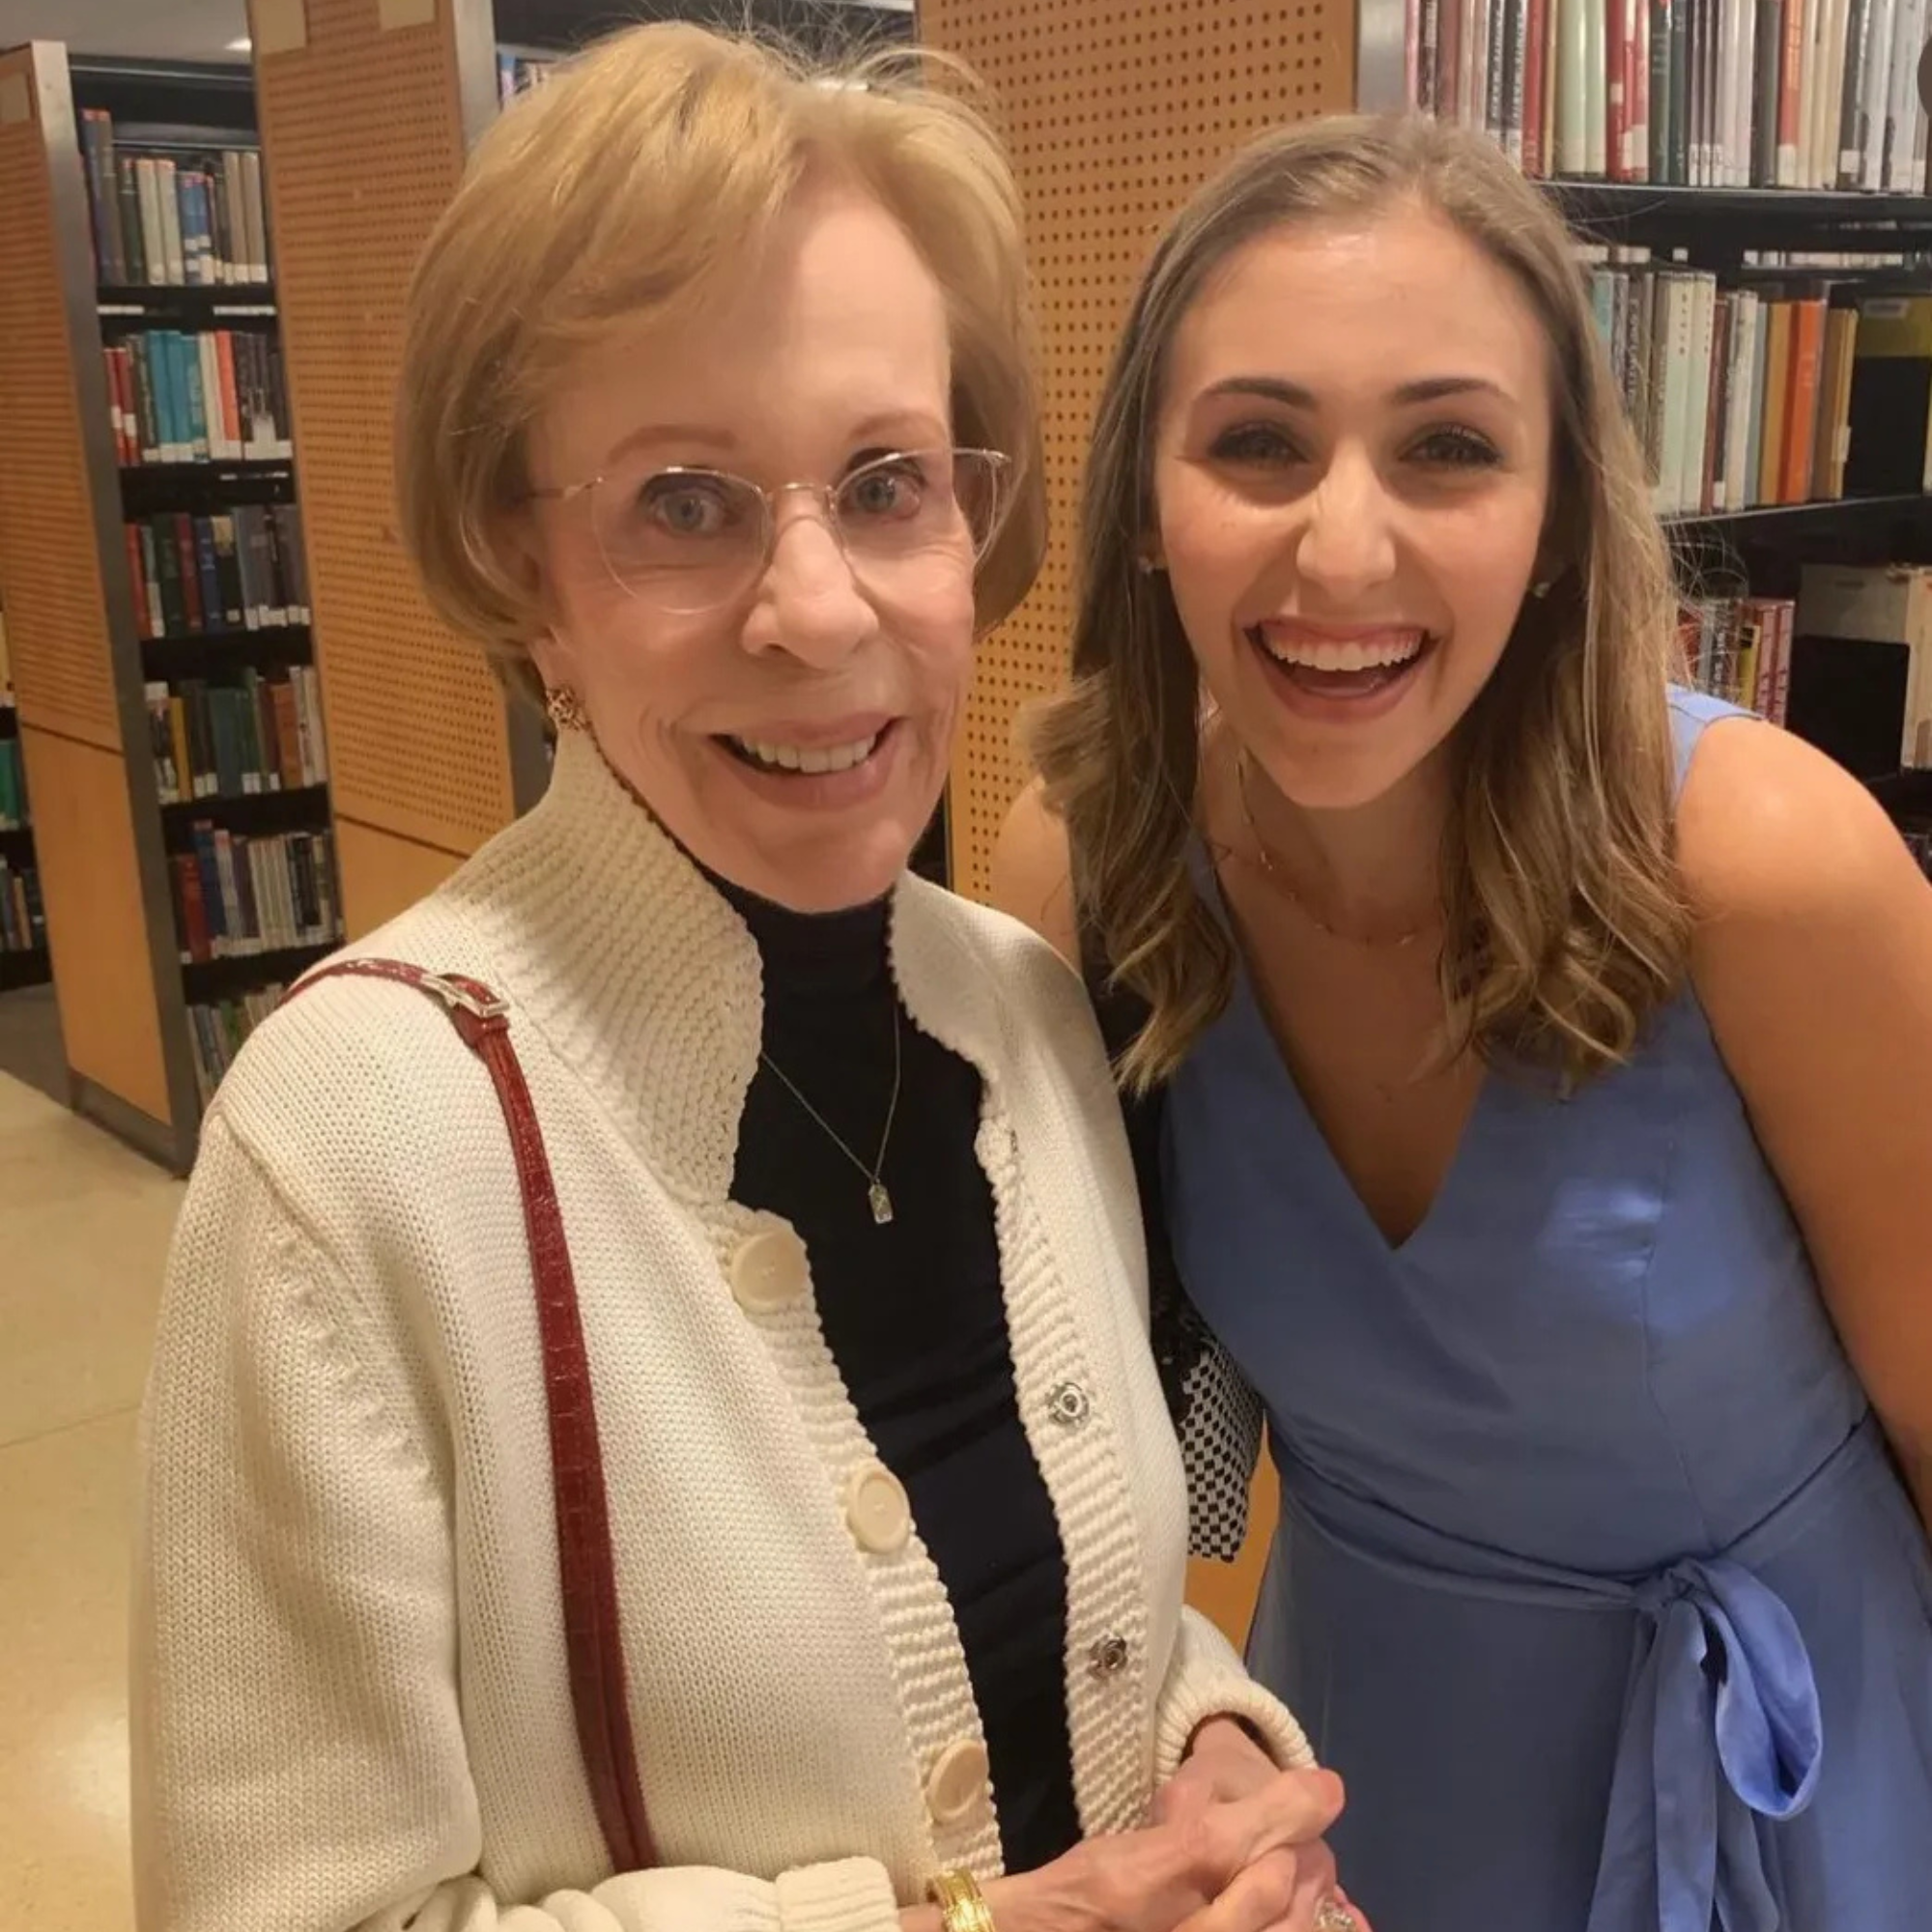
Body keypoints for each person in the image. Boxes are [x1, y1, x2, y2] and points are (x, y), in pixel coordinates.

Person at [128, 27, 1364, 1932]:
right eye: (684, 503)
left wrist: (1197, 1762)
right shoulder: (354, 1147)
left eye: (887, 484)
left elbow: (1050, 1617)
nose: (815, 608)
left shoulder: (1024, 1015)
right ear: (519, 563)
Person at [994, 110, 1932, 1932]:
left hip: (1790, 1796)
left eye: (1447, 449)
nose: (1343, 551)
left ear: (1561, 514)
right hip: (1356, 1783)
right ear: (1146, 507)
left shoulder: (1763, 867)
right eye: (1258, 444)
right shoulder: (1090, 872)